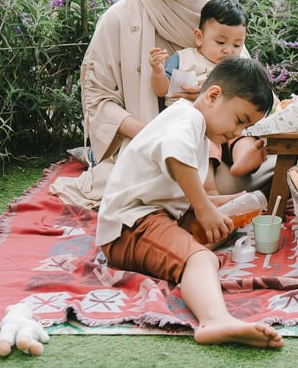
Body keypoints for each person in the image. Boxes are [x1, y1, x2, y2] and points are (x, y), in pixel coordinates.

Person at [50, 0, 273, 207]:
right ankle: (202, 195)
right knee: (171, 173)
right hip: (147, 140)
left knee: (279, 162)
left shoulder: (214, 16)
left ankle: (207, 193)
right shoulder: (118, 19)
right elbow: (98, 101)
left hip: (219, 140)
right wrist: (159, 135)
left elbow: (245, 83)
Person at [96, 56, 283, 349]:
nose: (237, 133)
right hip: (129, 226)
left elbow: (184, 189)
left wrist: (222, 203)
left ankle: (190, 252)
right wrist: (205, 208)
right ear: (213, 96)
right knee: (201, 258)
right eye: (239, 120)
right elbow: (175, 156)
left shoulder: (193, 125)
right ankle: (214, 320)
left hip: (152, 215)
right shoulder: (188, 119)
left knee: (224, 219)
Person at [150, 0, 268, 191]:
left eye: (237, 45)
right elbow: (161, 91)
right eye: (220, 42)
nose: (228, 50)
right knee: (205, 145)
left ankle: (244, 158)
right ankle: (209, 188)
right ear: (199, 37)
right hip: (199, 125)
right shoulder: (185, 58)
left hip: (229, 124)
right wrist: (158, 71)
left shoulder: (236, 69)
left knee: (242, 134)